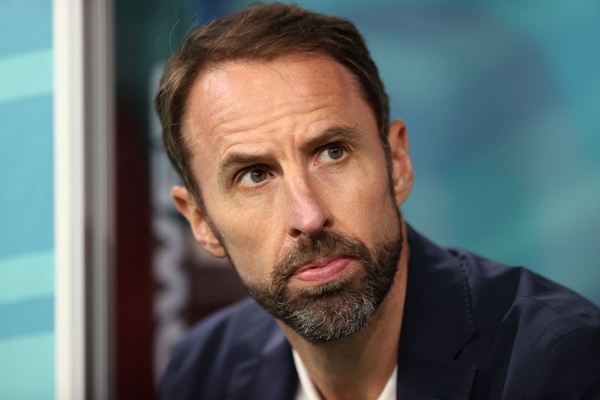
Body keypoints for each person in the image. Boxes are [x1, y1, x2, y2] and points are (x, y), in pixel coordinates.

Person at [154, 3, 600, 399]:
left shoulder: (558, 364)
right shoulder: (202, 371)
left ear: (397, 162)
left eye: (333, 152)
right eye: (255, 176)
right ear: (201, 222)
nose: (309, 216)